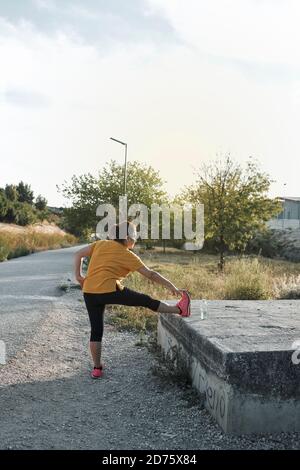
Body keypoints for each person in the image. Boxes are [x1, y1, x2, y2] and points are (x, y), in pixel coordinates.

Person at [74, 221, 191, 379]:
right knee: (145, 300)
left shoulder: (100, 244)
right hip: (109, 290)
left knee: (96, 330)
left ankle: (97, 368)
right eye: (135, 235)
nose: (136, 239)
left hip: (89, 291)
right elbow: (150, 274)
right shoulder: (127, 254)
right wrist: (172, 286)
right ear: (128, 238)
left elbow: (78, 254)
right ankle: (179, 309)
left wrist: (79, 276)